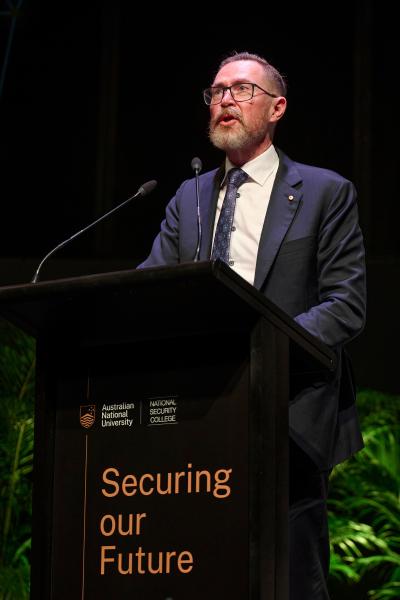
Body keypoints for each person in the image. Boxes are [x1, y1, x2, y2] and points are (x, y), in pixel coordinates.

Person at [138, 51, 366, 599]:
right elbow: (149, 293)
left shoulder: (323, 192)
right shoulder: (188, 198)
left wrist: (262, 351)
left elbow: (345, 304)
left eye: (241, 91)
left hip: (287, 416)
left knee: (289, 582)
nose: (225, 101)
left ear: (277, 107)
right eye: (216, 92)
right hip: (199, 417)